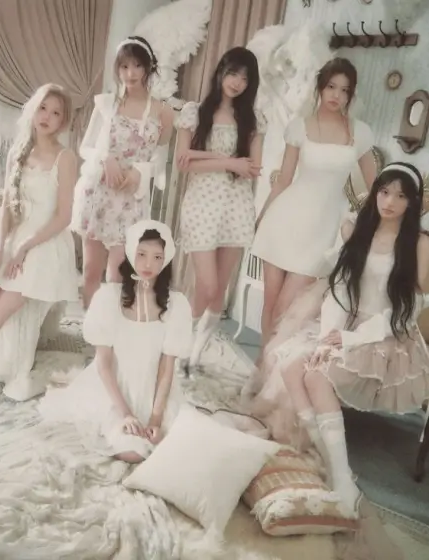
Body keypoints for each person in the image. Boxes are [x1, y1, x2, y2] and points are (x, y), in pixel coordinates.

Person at [244, 162, 429, 513]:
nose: (389, 202)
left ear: (412, 202)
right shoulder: (360, 231)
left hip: (386, 335)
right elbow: (341, 289)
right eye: (384, 192)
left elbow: (409, 309)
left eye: (400, 196)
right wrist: (330, 335)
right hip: (345, 326)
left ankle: (343, 481)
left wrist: (349, 340)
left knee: (315, 376)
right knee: (291, 365)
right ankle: (327, 460)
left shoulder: (419, 244)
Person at [252, 57, 377, 359]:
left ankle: (271, 369)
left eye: (345, 90)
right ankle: (261, 369)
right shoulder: (300, 127)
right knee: (270, 304)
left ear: (351, 95)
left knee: (286, 310)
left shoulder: (359, 133)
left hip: (321, 231)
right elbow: (284, 180)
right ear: (320, 87)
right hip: (284, 222)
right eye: (332, 87)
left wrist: (364, 225)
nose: (337, 95)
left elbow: (376, 187)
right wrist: (262, 218)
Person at [39, 220, 192, 464]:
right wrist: (126, 414)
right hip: (113, 388)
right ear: (130, 252)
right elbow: (103, 364)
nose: (148, 264)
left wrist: (155, 418)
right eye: (141, 254)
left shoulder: (176, 304)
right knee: (132, 451)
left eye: (157, 257)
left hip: (154, 391)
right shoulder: (109, 298)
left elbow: (167, 368)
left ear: (166, 260)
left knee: (174, 442)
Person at [176, 46, 266, 368]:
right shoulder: (195, 112)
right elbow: (183, 162)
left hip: (236, 207)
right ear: (220, 72)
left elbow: (253, 168)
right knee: (208, 284)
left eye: (245, 78)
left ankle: (194, 355)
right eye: (232, 73)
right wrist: (228, 161)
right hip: (201, 205)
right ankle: (179, 343)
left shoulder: (254, 120)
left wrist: (203, 156)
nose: (237, 82)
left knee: (219, 290)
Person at [72, 36, 174, 308]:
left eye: (137, 66)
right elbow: (85, 147)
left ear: (148, 68)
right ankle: (89, 326)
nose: (130, 73)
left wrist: (141, 171)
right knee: (91, 271)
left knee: (118, 275)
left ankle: (109, 327)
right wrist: (105, 158)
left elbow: (160, 157)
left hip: (131, 198)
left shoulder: (163, 112)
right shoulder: (107, 104)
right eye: (124, 66)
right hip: (99, 193)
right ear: (117, 69)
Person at [0, 83, 78, 349]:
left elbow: (64, 217)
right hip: (17, 237)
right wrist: (0, 249)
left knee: (1, 309)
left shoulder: (65, 158)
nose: (47, 116)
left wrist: (24, 247)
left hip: (46, 241)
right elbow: (7, 207)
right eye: (43, 108)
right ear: (33, 109)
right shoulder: (16, 152)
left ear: (63, 121)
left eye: (56, 113)